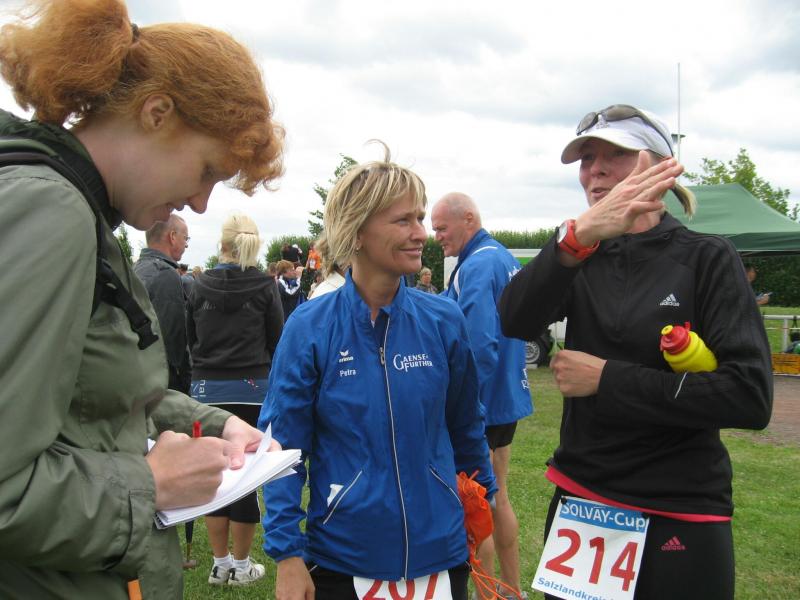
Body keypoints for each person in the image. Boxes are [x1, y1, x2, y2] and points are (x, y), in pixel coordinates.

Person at [0, 1, 284, 597]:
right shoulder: (52, 212)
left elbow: (92, 400)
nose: (201, 203)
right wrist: (150, 485)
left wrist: (214, 423)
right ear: (157, 114)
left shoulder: (81, 212)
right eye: (207, 171)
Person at [498, 104, 773, 600]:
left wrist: (609, 379)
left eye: (615, 155)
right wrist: (575, 239)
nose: (595, 171)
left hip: (679, 504)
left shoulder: (707, 257)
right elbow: (513, 321)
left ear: (662, 168)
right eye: (587, 159)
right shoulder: (579, 254)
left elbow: (748, 396)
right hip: (584, 499)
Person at [259, 143, 497, 600]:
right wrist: (287, 555)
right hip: (343, 558)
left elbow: (467, 429)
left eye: (420, 218)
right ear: (357, 231)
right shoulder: (309, 327)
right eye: (403, 220)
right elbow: (282, 449)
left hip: (442, 554)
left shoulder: (444, 320)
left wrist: (480, 511)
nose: (421, 234)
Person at [431, 192, 532, 600]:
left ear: (468, 219)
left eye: (442, 227)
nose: (436, 236)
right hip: (505, 400)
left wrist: (463, 408)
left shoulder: (477, 264)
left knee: (477, 506)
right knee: (497, 496)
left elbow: (478, 346)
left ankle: (489, 595)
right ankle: (511, 590)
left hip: (483, 406)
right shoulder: (502, 256)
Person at [187, 213, 284, 586]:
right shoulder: (264, 286)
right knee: (244, 477)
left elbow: (190, 337)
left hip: (205, 390)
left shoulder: (198, 285)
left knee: (215, 473)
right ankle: (241, 567)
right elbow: (277, 338)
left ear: (222, 243)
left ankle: (220, 563)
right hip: (251, 389)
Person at [134, 215, 193, 393]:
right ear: (172, 236)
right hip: (161, 382)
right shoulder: (166, 274)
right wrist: (184, 382)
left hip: (137, 372)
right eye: (185, 238)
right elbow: (173, 340)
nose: (186, 245)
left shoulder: (135, 269)